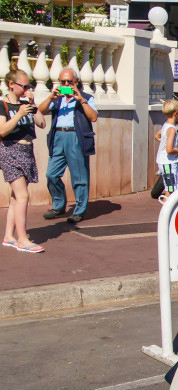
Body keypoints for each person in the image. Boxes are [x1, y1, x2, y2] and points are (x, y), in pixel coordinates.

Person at [38, 67, 96, 224]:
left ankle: (79, 210)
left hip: (75, 137)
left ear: (76, 82)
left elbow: (93, 117)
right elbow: (40, 111)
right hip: (58, 137)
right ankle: (58, 205)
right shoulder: (57, 99)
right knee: (51, 174)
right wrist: (51, 97)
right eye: (62, 81)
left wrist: (81, 100)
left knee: (79, 176)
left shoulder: (86, 97)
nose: (65, 84)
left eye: (69, 81)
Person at [0, 70, 45, 253]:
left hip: (27, 150)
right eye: (23, 86)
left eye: (28, 86)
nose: (26, 89)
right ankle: (22, 239)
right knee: (23, 196)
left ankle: (9, 236)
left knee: (15, 197)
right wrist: (18, 114)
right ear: (12, 84)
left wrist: (33, 104)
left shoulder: (27, 104)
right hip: (10, 150)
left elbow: (42, 123)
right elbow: (2, 131)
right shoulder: (3, 105)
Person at [156, 100, 178, 196]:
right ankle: (164, 210)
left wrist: (165, 143)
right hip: (167, 162)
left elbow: (157, 136)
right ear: (176, 113)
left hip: (170, 162)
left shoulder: (166, 126)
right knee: (170, 191)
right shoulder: (172, 129)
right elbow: (169, 150)